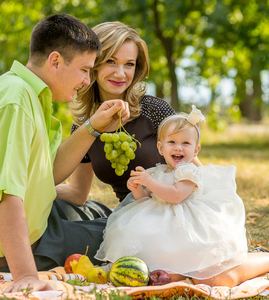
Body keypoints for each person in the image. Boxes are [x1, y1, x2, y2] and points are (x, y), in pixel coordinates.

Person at [0, 14, 130, 293]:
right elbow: (7, 196)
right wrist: (26, 276)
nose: (86, 80)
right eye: (84, 70)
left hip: (0, 231)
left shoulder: (18, 89)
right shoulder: (15, 104)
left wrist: (93, 127)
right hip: (10, 249)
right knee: (126, 227)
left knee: (96, 210)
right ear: (55, 61)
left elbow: (48, 172)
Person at [95, 106, 269, 287]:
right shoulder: (157, 171)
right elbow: (145, 201)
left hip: (187, 228)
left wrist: (149, 182)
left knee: (212, 276)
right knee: (163, 270)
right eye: (171, 142)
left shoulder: (189, 172)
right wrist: (138, 188)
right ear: (160, 148)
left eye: (185, 143)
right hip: (159, 228)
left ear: (196, 150)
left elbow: (176, 196)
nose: (178, 148)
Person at [55, 21, 179, 207]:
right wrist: (28, 189)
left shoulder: (155, 110)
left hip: (172, 209)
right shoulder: (84, 126)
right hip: (129, 218)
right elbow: (77, 193)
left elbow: (194, 169)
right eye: (111, 61)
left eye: (129, 64)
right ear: (93, 64)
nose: (120, 74)